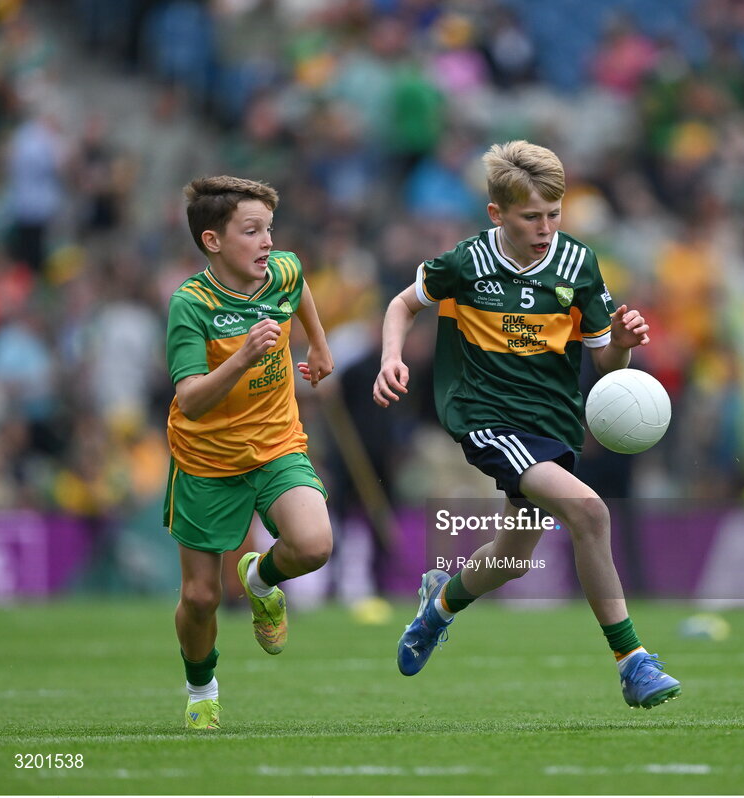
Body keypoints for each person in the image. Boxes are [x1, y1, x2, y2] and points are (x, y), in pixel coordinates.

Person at [373, 140, 681, 709]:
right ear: (498, 214)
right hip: (485, 417)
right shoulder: (466, 262)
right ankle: (632, 661)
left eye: (554, 214)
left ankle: (439, 605)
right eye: (531, 217)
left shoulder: (578, 265)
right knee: (590, 510)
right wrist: (393, 356)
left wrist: (624, 342)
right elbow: (401, 304)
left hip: (553, 424)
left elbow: (605, 362)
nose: (545, 228)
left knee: (513, 556)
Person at [164, 176, 334, 729]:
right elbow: (189, 399)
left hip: (276, 442)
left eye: (269, 230)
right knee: (200, 598)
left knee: (313, 545)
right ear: (213, 241)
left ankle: (260, 579)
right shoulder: (191, 304)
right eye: (252, 231)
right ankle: (201, 690)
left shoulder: (280, 270)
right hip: (207, 461)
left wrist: (317, 341)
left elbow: (299, 282)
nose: (267, 243)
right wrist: (240, 358)